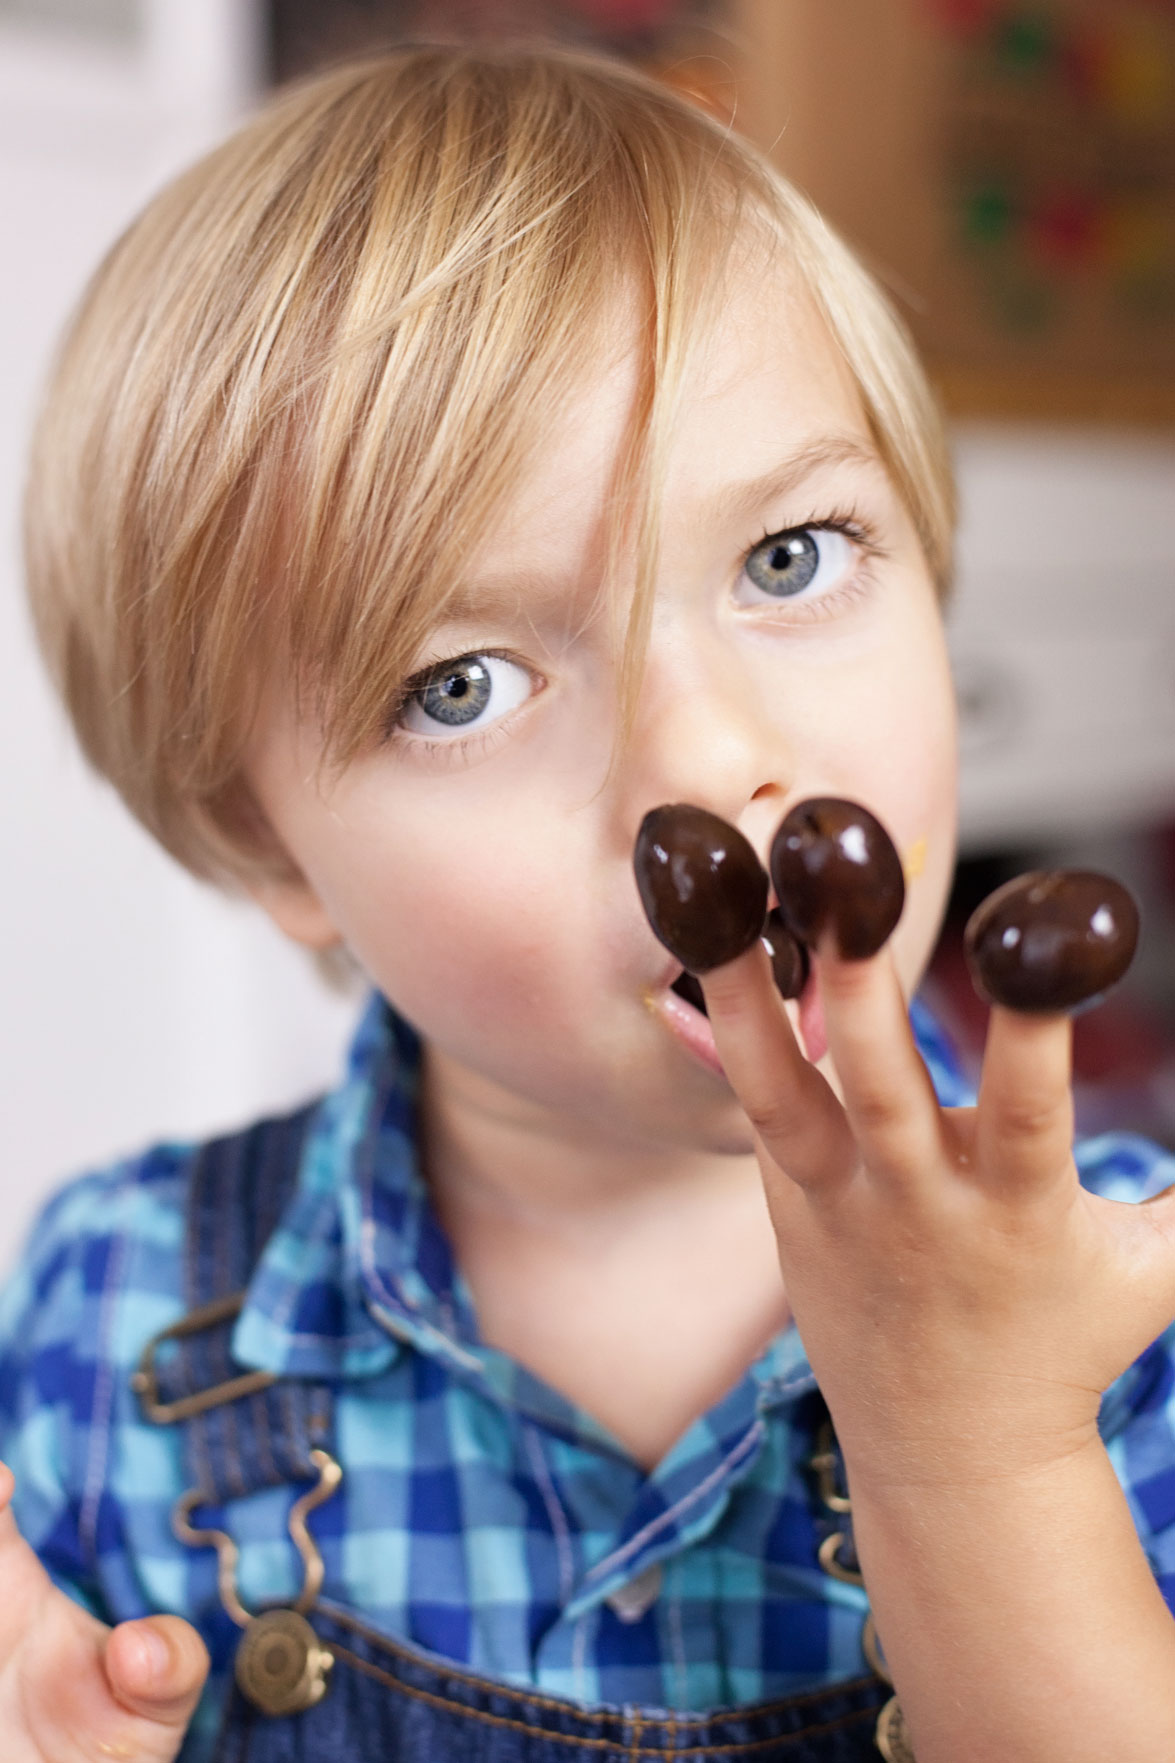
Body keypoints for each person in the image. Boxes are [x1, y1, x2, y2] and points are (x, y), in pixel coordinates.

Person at [4, 39, 1175, 1763]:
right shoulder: (112, 1309)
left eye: (788, 560)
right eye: (464, 682)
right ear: (267, 850)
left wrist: (979, 1449)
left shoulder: (1125, 1289)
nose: (708, 773)